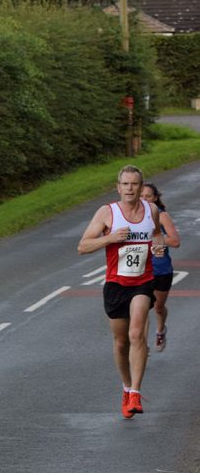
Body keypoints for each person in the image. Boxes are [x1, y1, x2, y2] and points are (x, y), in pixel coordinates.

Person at [77, 164, 165, 418]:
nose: (129, 188)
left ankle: (136, 393)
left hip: (143, 281)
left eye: (134, 184)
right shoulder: (107, 213)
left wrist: (158, 248)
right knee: (121, 342)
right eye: (125, 184)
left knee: (137, 333)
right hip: (116, 284)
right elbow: (82, 246)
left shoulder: (152, 210)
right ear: (118, 187)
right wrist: (110, 238)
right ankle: (126, 388)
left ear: (141, 186)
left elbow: (157, 235)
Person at [141, 182, 181, 351]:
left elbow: (175, 241)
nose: (144, 200)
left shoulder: (162, 216)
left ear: (155, 198)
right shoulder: (132, 215)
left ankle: (161, 329)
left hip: (161, 270)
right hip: (141, 270)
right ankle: (140, 346)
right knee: (140, 310)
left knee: (158, 307)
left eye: (148, 196)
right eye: (141, 196)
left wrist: (153, 238)